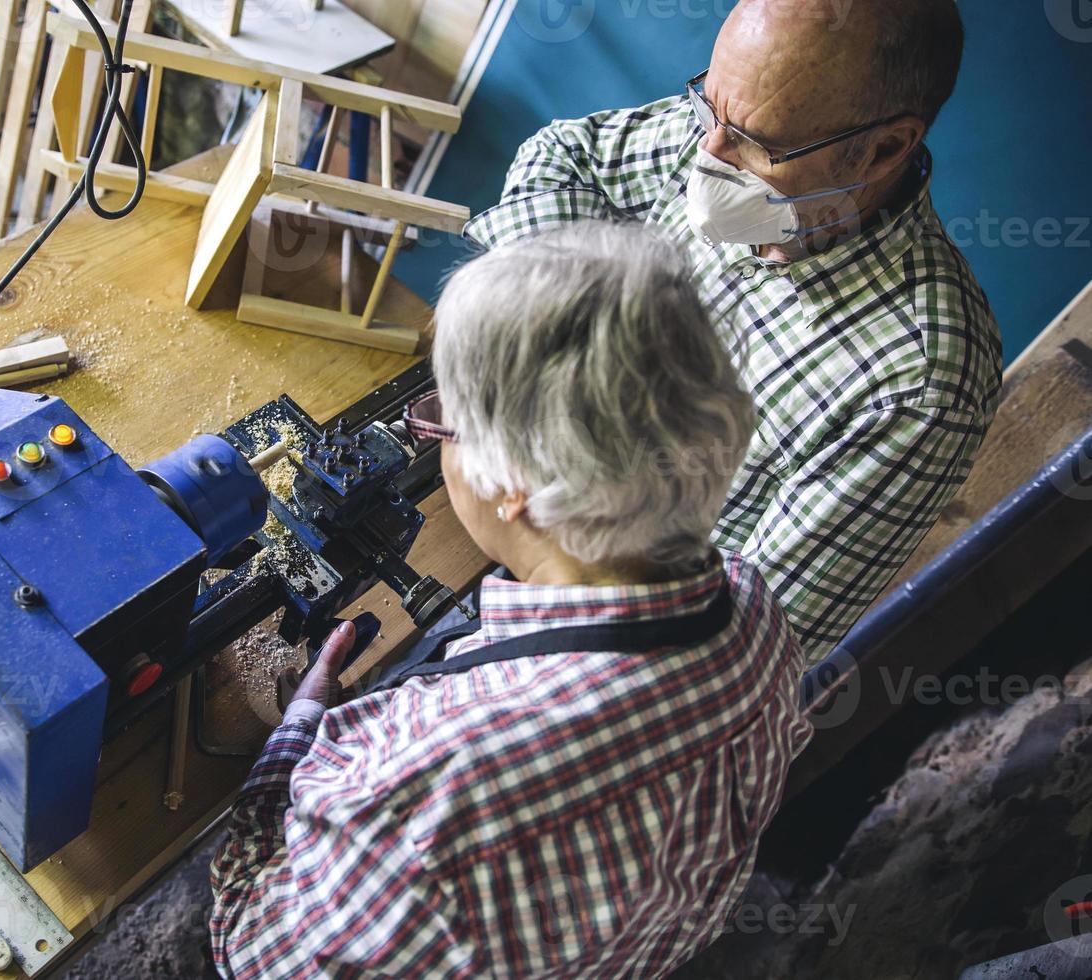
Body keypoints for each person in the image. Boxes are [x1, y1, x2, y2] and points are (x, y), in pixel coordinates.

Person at [209, 223, 814, 978]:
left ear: (515, 486)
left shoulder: (423, 794)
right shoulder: (752, 610)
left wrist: (293, 742)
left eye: (445, 422)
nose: (431, 439)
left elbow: (254, 955)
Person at [467, 0, 1001, 659]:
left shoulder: (919, 382)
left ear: (884, 148)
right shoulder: (728, 126)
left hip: (594, 649)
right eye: (707, 108)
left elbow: (733, 652)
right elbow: (563, 156)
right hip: (513, 501)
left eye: (757, 143)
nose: (708, 157)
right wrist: (554, 324)